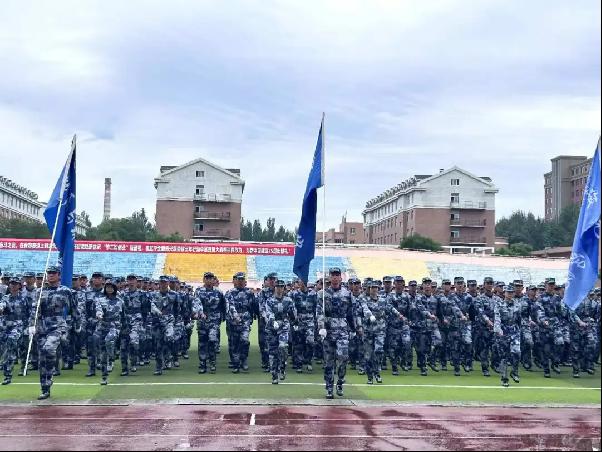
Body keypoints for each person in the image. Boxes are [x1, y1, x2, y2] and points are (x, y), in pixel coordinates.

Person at [29, 266, 79, 400]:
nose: (50, 275)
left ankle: (50, 374)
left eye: (53, 273)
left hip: (57, 325)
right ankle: (45, 388)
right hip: (42, 326)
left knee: (49, 348)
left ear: (59, 275)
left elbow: (74, 309)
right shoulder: (39, 291)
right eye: (49, 273)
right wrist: (31, 325)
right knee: (42, 358)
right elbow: (34, 310)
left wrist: (77, 324)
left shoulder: (66, 291)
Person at [316, 268, 355, 399]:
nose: (335, 278)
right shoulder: (322, 294)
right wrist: (321, 327)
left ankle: (340, 381)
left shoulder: (347, 294)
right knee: (329, 361)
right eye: (333, 275)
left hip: (342, 330)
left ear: (341, 278)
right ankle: (329, 387)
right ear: (329, 278)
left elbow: (350, 313)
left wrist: (354, 329)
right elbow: (319, 312)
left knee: (343, 357)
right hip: (328, 330)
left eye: (337, 275)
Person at [265, 279, 296, 384]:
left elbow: (293, 313)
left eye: (281, 287)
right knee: (272, 352)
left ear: (284, 288)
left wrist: (295, 322)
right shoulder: (269, 300)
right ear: (274, 288)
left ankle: (282, 367)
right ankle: (274, 374)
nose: (279, 289)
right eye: (277, 287)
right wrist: (272, 321)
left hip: (283, 326)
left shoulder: (288, 300)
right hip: (271, 328)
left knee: (283, 347)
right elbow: (268, 312)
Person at [94, 280, 125, 385]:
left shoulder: (120, 301)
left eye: (111, 287)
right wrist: (99, 314)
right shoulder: (100, 299)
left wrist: (125, 328)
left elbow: (124, 315)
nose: (109, 289)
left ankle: (112, 356)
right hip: (103, 326)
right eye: (107, 287)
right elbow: (98, 309)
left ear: (115, 288)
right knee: (103, 354)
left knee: (109, 340)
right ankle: (104, 377)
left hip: (114, 326)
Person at [0, 277, 29, 385]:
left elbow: (30, 313)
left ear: (19, 286)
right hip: (5, 327)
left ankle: (21, 368)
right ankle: (7, 374)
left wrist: (30, 326)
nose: (13, 286)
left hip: (19, 327)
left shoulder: (24, 299)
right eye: (11, 284)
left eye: (15, 284)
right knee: (8, 349)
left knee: (19, 348)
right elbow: (2, 306)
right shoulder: (5, 298)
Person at [224, 272, 255, 373]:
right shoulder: (230, 293)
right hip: (233, 321)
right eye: (239, 279)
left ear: (244, 281)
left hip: (245, 320)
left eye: (242, 279)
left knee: (245, 341)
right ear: (235, 281)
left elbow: (252, 306)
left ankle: (244, 360)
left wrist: (251, 318)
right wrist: (235, 317)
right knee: (234, 343)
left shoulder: (249, 293)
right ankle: (236, 364)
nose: (240, 281)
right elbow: (230, 306)